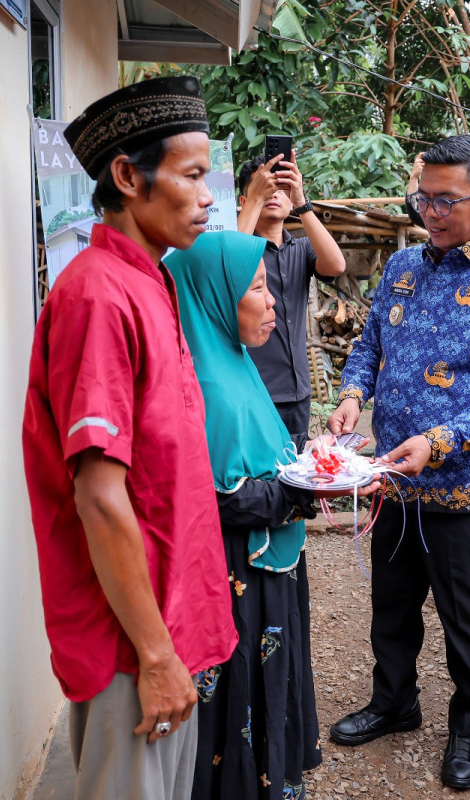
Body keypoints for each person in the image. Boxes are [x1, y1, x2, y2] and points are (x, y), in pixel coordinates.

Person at [21, 76, 237, 800]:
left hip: (166, 622)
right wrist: (155, 655)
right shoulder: (96, 295)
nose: (207, 197)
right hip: (130, 644)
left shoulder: (150, 281)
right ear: (127, 176)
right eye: (192, 176)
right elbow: (100, 497)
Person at [326, 135, 470, 789]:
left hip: (465, 492)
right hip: (393, 485)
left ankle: (467, 725)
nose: (431, 211)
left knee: (468, 626)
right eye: (423, 197)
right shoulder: (402, 266)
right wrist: (351, 394)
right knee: (391, 608)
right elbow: (370, 342)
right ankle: (394, 703)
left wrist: (440, 442)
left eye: (446, 200)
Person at [165, 232, 372, 800]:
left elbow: (264, 460)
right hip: (237, 573)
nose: (274, 300)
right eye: (256, 288)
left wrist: (312, 466)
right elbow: (221, 498)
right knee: (241, 686)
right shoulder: (207, 384)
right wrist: (305, 491)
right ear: (215, 297)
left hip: (265, 562)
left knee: (266, 679)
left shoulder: (233, 361)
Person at [238, 153, 346, 436]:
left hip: (298, 392)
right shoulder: (238, 247)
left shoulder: (302, 248)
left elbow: (336, 265)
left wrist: (302, 202)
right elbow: (229, 269)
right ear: (245, 201)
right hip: (253, 391)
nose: (274, 194)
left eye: (281, 188)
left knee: (296, 462)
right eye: (264, 188)